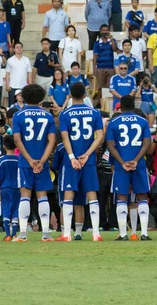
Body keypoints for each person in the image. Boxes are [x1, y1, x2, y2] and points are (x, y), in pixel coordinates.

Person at [56, 83, 104, 242]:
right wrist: (87, 154)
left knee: (69, 195)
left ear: (70, 95)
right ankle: (96, 233)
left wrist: (72, 157)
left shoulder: (65, 114)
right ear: (85, 95)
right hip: (88, 160)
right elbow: (100, 137)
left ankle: (66, 234)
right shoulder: (95, 113)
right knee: (91, 194)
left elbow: (65, 137)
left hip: (72, 161)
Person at [12, 84, 57, 242]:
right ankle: (45, 233)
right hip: (42, 162)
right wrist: (42, 161)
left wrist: (30, 160)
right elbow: (52, 141)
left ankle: (23, 234)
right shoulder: (48, 116)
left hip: (26, 162)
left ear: (24, 97)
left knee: (25, 196)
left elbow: (17, 139)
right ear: (40, 98)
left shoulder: (18, 115)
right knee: (42, 196)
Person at [106, 95, 152, 241]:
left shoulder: (114, 122)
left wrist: (122, 161)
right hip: (139, 164)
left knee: (122, 197)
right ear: (133, 105)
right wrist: (136, 160)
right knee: (142, 196)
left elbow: (110, 145)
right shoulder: (143, 121)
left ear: (121, 107)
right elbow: (147, 143)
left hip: (121, 165)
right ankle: (144, 233)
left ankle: (123, 233)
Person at [0, 135, 19, 241]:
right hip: (17, 188)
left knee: (6, 208)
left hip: (5, 187)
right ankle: (14, 234)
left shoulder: (1, 160)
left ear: (4, 146)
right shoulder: (19, 160)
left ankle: (7, 234)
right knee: (15, 209)